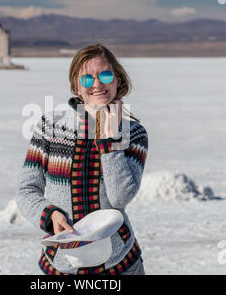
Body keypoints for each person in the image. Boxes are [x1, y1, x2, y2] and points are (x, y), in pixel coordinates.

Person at [16, 44, 148, 275]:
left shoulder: (134, 133)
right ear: (77, 87)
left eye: (105, 75)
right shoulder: (51, 127)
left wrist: (109, 141)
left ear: (117, 80)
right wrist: (50, 215)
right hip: (63, 262)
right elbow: (27, 190)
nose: (97, 84)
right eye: (87, 79)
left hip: (119, 264)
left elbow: (119, 197)